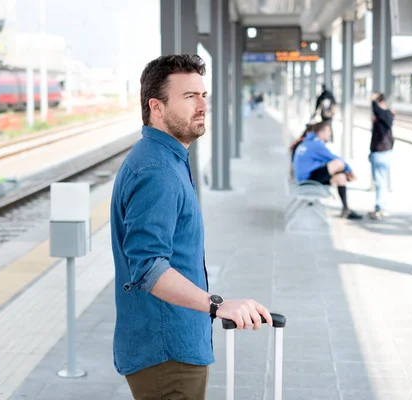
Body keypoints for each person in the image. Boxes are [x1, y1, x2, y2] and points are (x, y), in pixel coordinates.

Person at [110, 54, 273, 399]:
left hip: (172, 343)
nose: (202, 106)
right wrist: (218, 305)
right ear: (156, 107)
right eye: (189, 97)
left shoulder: (165, 158)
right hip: (167, 352)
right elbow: (148, 267)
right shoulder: (156, 171)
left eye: (203, 95)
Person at [292, 120, 363, 220]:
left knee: (341, 178)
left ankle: (346, 209)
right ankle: (346, 207)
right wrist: (349, 170)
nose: (330, 134)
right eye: (328, 131)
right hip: (307, 182)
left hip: (303, 179)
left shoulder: (307, 142)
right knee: (338, 164)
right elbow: (334, 159)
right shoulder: (316, 144)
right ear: (321, 133)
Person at [367, 93, 395, 220]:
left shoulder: (386, 114)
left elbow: (376, 110)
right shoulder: (385, 115)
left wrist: (373, 101)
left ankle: (380, 207)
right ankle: (380, 206)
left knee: (380, 181)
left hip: (381, 152)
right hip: (378, 151)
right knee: (380, 181)